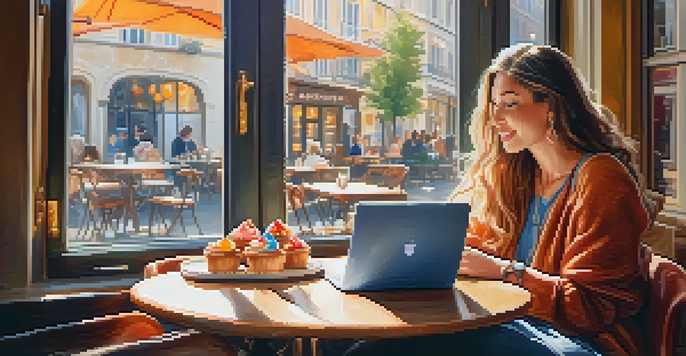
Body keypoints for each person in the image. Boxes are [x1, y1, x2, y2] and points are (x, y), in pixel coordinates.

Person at [343, 44, 656, 356]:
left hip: (579, 343)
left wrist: (505, 272)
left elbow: (592, 308)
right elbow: (475, 246)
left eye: (509, 103)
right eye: (494, 104)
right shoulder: (515, 173)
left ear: (552, 105)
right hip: (515, 326)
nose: (495, 118)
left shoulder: (600, 177)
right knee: (359, 342)